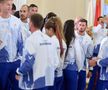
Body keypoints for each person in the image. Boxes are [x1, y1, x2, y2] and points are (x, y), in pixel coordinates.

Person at [16, 13, 59, 90]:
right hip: (46, 80)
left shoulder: (31, 40)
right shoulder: (50, 39)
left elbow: (28, 63)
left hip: (34, 81)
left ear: (31, 23)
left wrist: (19, 71)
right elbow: (56, 62)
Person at [0, 0, 23, 90]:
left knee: (16, 87)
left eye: (11, 5)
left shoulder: (17, 21)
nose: (10, 7)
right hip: (2, 62)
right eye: (7, 4)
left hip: (15, 62)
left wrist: (21, 59)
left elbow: (21, 41)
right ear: (1, 5)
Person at [45, 17, 66, 90]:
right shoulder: (62, 41)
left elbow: (52, 62)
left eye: (46, 30)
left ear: (51, 30)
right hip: (59, 75)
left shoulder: (51, 41)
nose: (45, 32)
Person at [75, 19, 94, 90]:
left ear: (86, 26)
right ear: (77, 25)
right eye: (80, 25)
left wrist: (90, 69)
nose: (81, 27)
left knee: (81, 87)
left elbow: (90, 56)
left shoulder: (89, 39)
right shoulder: (72, 36)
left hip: (83, 67)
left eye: (83, 25)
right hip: (72, 66)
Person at [63, 19, 81, 90]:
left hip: (61, 70)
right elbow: (78, 57)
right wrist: (79, 69)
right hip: (71, 70)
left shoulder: (61, 39)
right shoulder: (75, 40)